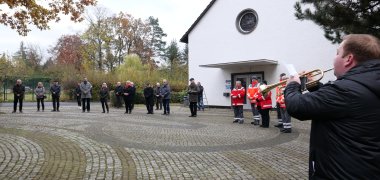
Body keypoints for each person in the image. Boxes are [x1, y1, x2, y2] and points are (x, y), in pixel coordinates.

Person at [284, 34, 380, 179]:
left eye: (337, 53)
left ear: (348, 59)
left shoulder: (345, 90)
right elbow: (337, 105)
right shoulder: (368, 82)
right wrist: (315, 85)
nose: (334, 58)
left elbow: (296, 107)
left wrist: (292, 84)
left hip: (341, 172)